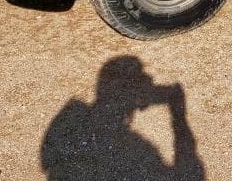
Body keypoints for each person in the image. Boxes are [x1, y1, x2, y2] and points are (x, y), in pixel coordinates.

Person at [41, 56, 204, 180]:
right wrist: (178, 114)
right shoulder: (134, 146)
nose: (150, 79)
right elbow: (189, 169)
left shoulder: (70, 123)